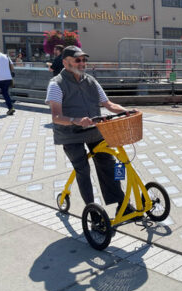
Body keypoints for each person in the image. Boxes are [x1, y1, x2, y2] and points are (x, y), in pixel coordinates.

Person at [45, 45, 137, 216]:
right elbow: (56, 117)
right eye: (78, 60)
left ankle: (121, 204)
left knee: (108, 163)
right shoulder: (56, 84)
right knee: (83, 169)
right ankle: (92, 210)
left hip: (94, 130)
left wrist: (126, 111)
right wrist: (76, 121)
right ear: (66, 63)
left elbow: (108, 104)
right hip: (70, 134)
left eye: (84, 60)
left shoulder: (91, 81)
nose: (82, 63)